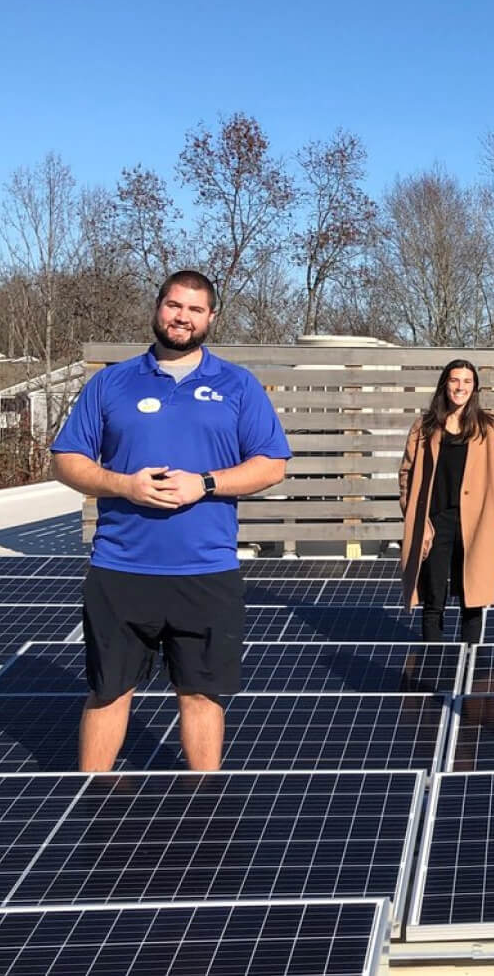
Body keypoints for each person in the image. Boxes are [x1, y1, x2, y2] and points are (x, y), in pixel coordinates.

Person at [51, 270, 290, 771]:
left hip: (205, 571)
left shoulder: (237, 386)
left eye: (195, 309)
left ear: (211, 318)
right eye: (174, 305)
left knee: (202, 697)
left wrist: (204, 483)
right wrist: (125, 485)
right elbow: (67, 459)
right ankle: (89, 808)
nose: (183, 317)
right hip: (121, 570)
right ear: (158, 307)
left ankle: (205, 813)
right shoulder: (111, 383)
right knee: (108, 693)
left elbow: (271, 464)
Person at [398, 358, 494, 644]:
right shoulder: (424, 427)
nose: (461, 387)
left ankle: (469, 667)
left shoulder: (488, 428)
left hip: (476, 522)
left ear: (475, 388)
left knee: (473, 597)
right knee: (434, 597)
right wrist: (412, 515)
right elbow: (407, 473)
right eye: (455, 380)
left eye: (467, 381)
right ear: (445, 384)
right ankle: (432, 666)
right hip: (435, 522)